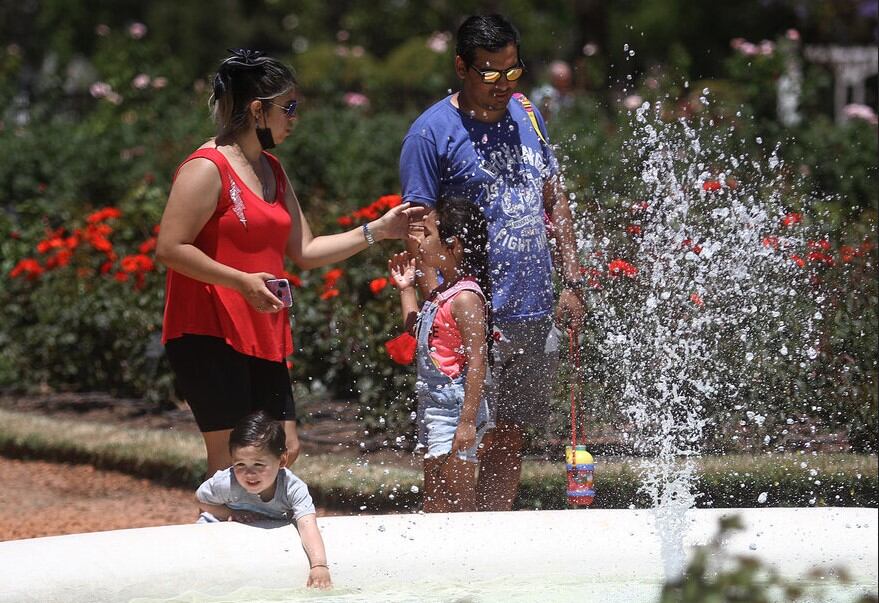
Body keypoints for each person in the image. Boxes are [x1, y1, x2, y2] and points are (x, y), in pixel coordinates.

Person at [156, 49, 424, 475]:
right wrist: (240, 280)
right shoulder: (207, 167)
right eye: (290, 107)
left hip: (260, 328)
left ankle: (245, 516)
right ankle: (219, 517)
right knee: (233, 461)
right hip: (208, 329)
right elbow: (170, 248)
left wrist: (379, 229)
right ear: (257, 110)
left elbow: (306, 250)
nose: (295, 118)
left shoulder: (272, 170)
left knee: (284, 448)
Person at [399, 15, 587, 511]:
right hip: (469, 318)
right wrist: (433, 305)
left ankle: (494, 540)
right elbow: (418, 227)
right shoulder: (431, 134)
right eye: (489, 73)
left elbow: (554, 198)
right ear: (461, 67)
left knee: (507, 437)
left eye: (512, 71)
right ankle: (445, 543)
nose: (503, 84)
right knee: (455, 446)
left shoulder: (527, 112)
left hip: (531, 311)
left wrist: (571, 281)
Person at [388, 197, 493, 512]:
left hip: (455, 408)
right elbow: (416, 330)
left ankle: (470, 540)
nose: (421, 241)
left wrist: (467, 422)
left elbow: (478, 361)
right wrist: (406, 289)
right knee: (436, 496)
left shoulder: (465, 298)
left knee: (455, 496)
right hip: (434, 404)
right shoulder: (442, 292)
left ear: (453, 245)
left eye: (428, 234)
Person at [195, 411, 331, 589]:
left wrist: (319, 565)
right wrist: (229, 512)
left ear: (282, 460)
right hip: (217, 531)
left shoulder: (292, 489)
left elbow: (307, 525)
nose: (249, 474)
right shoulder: (227, 482)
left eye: (258, 464)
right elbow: (200, 500)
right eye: (240, 464)